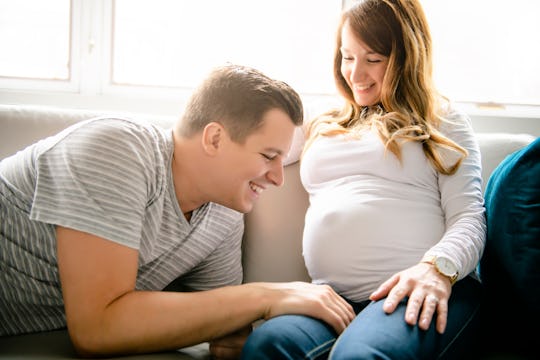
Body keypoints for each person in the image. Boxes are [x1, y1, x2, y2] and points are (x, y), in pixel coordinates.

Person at [0, 64, 355, 358]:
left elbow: (226, 335)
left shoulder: (225, 215)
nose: (279, 178)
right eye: (268, 156)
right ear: (214, 138)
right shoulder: (117, 150)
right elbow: (97, 328)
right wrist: (266, 295)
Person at [241, 1, 486, 359]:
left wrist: (436, 271)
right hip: (332, 296)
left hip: (421, 291)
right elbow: (249, 154)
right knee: (266, 346)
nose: (355, 74)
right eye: (347, 57)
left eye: (372, 59)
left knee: (359, 357)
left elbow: (469, 217)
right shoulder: (321, 123)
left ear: (407, 57)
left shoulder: (442, 119)